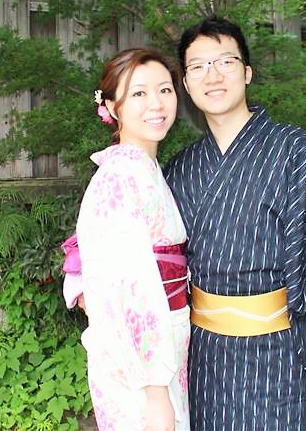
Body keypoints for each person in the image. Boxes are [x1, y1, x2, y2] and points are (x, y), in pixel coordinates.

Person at [164, 16, 306, 430]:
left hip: (279, 355)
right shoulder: (182, 168)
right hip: (204, 358)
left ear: (247, 72)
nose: (213, 76)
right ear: (186, 84)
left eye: (225, 62)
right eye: (198, 66)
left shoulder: (295, 152)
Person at [63, 48, 191, 431]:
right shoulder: (119, 177)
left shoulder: (146, 169)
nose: (156, 104)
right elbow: (131, 288)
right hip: (140, 367)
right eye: (139, 93)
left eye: (165, 90)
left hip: (166, 343)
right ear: (111, 107)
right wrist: (155, 390)